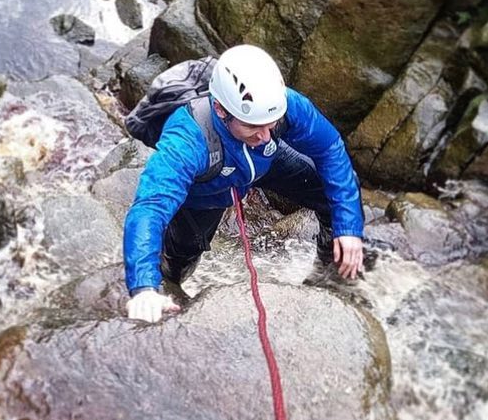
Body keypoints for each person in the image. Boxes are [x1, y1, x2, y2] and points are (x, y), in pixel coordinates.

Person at [123, 44, 365, 322]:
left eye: (271, 123)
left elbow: (330, 149)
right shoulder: (187, 139)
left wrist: (349, 228)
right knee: (181, 255)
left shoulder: (280, 107)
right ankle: (172, 290)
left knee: (325, 193)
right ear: (220, 109)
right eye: (253, 125)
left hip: (266, 161)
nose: (264, 134)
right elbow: (150, 207)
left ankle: (331, 270)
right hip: (207, 191)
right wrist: (143, 286)